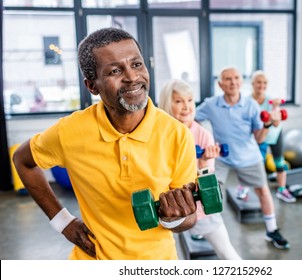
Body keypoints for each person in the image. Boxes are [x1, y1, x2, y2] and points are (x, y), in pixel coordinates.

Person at [12, 27, 199, 260]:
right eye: (115, 70)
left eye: (137, 64)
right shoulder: (70, 131)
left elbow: (190, 217)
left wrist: (175, 218)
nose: (131, 77)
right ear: (92, 85)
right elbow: (22, 160)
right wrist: (62, 222)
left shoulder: (177, 135)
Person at [195, 67, 290, 250]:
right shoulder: (211, 104)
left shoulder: (251, 105)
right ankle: (203, 227)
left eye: (236, 78)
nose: (233, 82)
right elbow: (192, 119)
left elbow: (259, 138)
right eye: (228, 79)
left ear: (241, 81)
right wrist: (202, 138)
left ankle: (271, 230)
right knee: (208, 192)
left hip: (249, 156)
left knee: (263, 191)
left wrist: (268, 123)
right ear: (220, 84)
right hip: (222, 157)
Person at [159, 79, 242, 260]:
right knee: (171, 257)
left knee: (227, 252)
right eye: (179, 101)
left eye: (189, 100)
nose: (186, 107)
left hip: (197, 207)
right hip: (165, 207)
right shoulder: (160, 134)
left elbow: (206, 183)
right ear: (167, 103)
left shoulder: (203, 135)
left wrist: (203, 162)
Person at [251, 70, 296, 203]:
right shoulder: (248, 101)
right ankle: (244, 187)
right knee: (253, 165)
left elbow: (276, 124)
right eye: (259, 82)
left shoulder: (271, 100)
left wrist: (276, 107)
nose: (261, 85)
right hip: (258, 136)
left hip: (275, 135)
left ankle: (282, 190)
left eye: (264, 82)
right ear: (253, 83)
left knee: (279, 163)